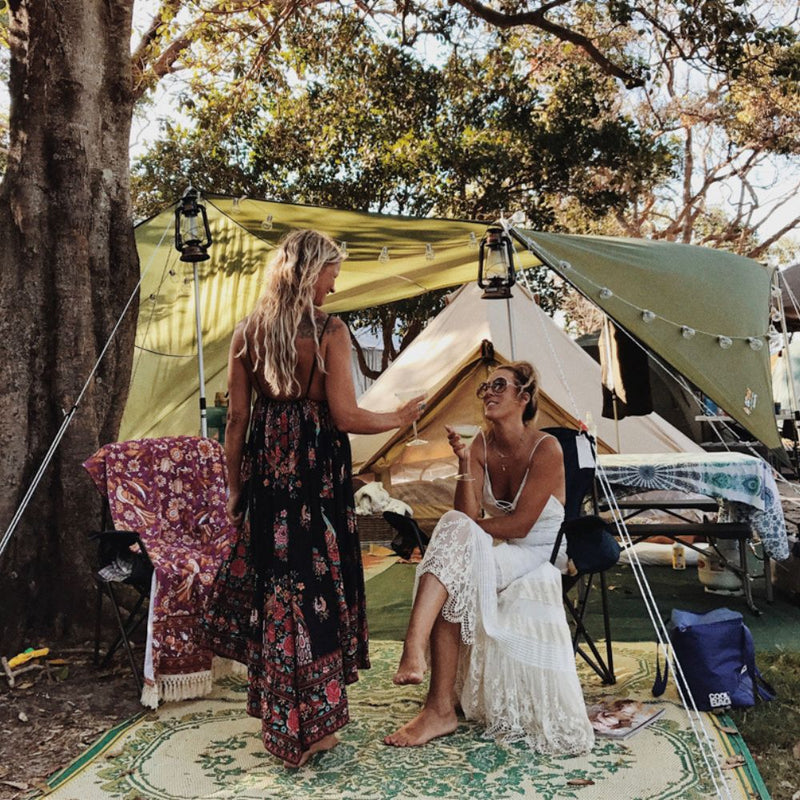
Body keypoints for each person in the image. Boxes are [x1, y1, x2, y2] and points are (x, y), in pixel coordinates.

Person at [201, 229, 423, 768]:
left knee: (279, 593)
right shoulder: (329, 330)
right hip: (317, 476)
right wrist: (399, 416)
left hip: (268, 477)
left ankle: (284, 726)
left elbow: (236, 419)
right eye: (331, 273)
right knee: (317, 591)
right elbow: (345, 415)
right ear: (307, 272)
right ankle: (316, 729)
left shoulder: (248, 332)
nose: (334, 285)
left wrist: (234, 487)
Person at [385, 361, 594, 754]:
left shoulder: (546, 448)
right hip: (500, 547)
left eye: (499, 385)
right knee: (454, 569)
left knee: (454, 552)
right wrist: (465, 463)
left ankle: (417, 652)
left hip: (538, 551)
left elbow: (521, 526)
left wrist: (465, 534)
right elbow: (465, 514)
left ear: (524, 397)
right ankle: (438, 707)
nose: (488, 393)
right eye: (485, 387)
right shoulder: (480, 443)